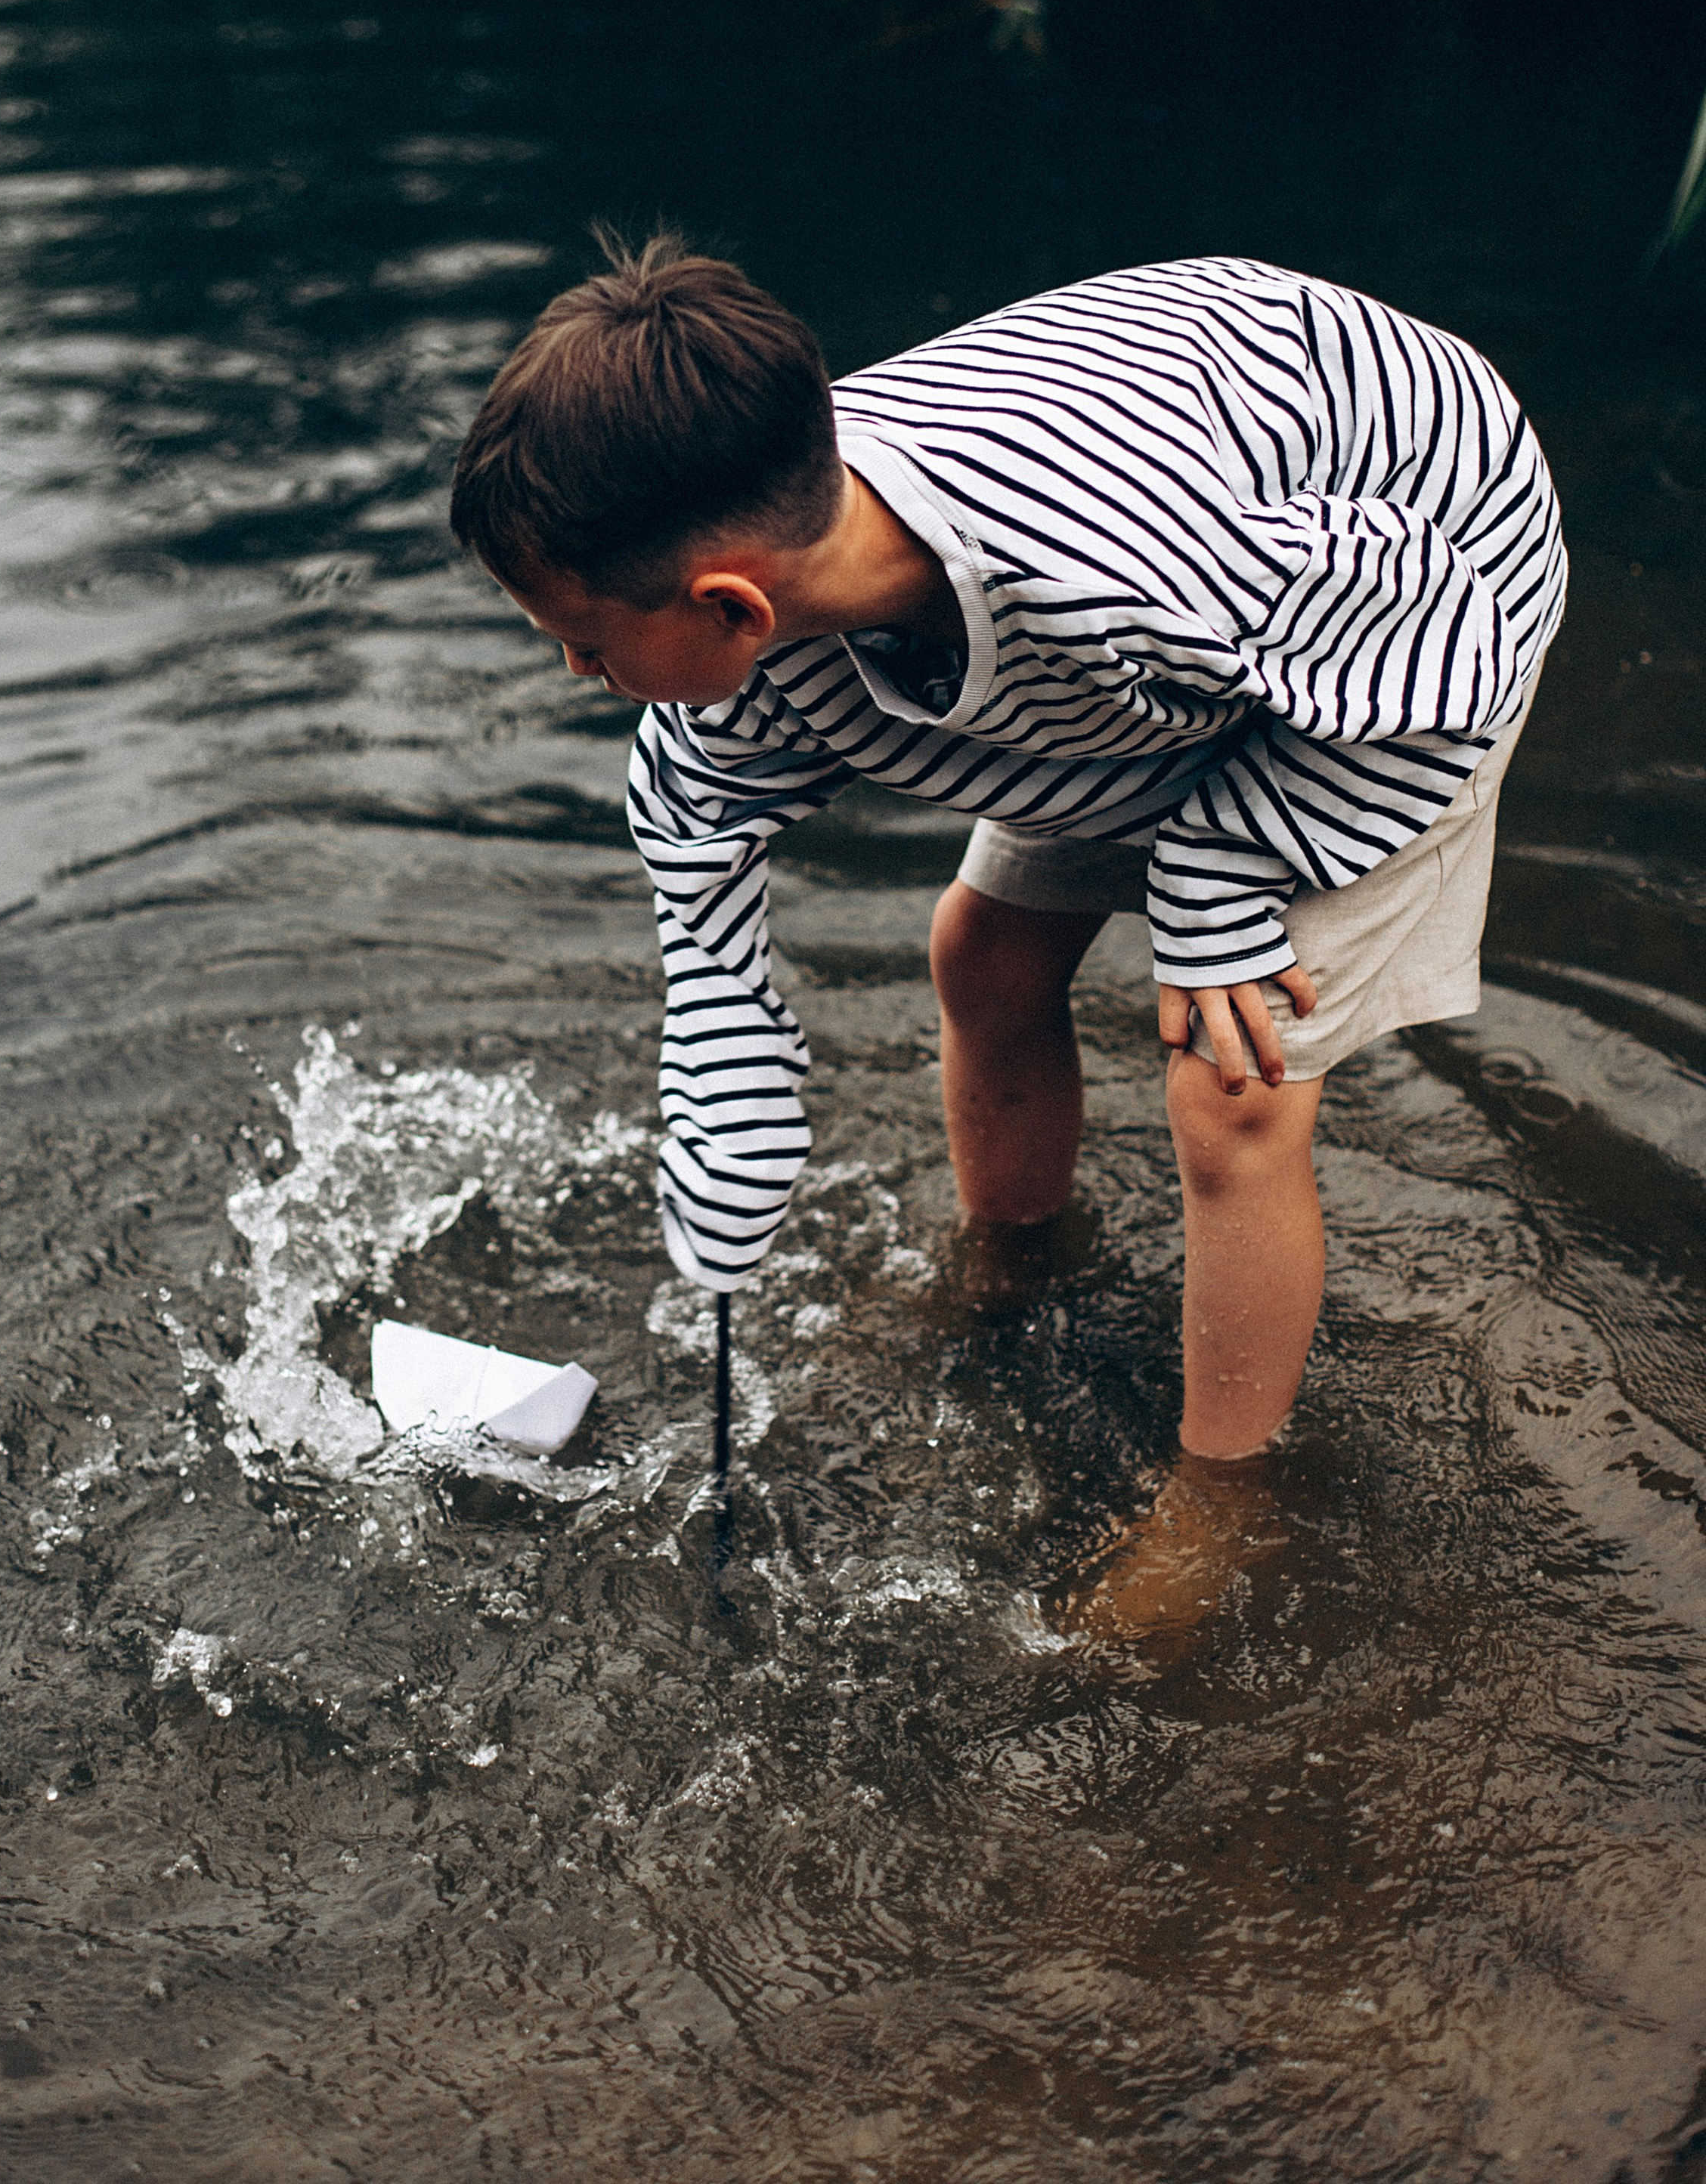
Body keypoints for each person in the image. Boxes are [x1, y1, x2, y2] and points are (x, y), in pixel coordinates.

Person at [447, 236, 1564, 1486]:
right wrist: (726, 1089)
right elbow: (698, 838)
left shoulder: (1114, 572)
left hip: (1412, 608)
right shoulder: (769, 582)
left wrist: (1217, 880)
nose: (575, 670)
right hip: (1161, 636)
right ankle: (1011, 1272)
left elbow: (1441, 642)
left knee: (1231, 1081)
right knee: (982, 954)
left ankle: (1221, 1498)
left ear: (732, 606)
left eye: (588, 644)